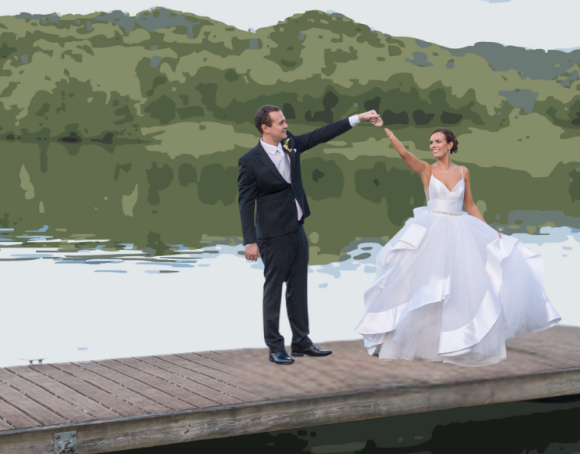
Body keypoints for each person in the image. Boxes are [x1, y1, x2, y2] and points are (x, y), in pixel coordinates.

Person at [356, 126, 559, 365]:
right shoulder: (426, 170)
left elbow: (470, 205)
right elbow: (404, 155)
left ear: (450, 145)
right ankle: (413, 339)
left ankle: (453, 342)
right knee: (426, 284)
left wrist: (491, 232)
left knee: (462, 286)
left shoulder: (464, 172)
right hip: (432, 231)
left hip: (460, 231)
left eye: (438, 141)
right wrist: (388, 132)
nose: (433, 146)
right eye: (431, 142)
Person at [238, 104, 380, 364]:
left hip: (296, 228)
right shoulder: (249, 161)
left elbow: (324, 133)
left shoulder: (291, 144)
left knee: (298, 288)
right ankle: (275, 347)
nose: (286, 126)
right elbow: (246, 204)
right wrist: (250, 241)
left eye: (284, 122)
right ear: (265, 128)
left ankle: (301, 342)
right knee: (273, 291)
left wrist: (358, 118)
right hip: (272, 234)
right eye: (280, 123)